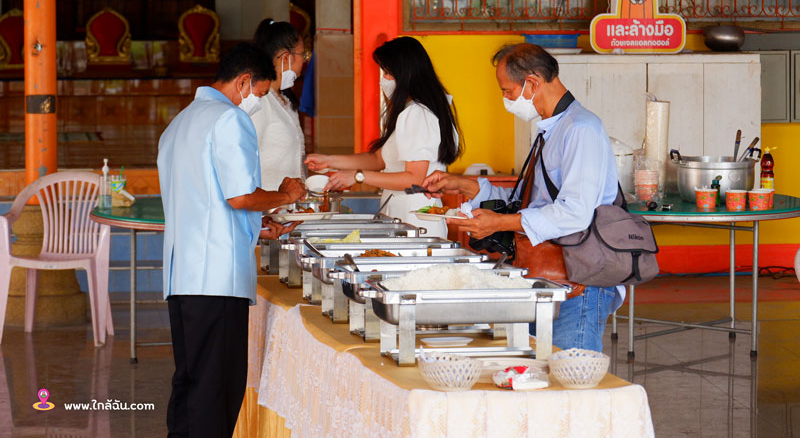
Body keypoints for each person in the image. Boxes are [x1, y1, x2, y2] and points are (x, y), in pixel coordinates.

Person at [422, 42, 622, 352]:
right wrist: (466, 186)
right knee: (539, 371)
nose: (506, 99)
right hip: (546, 275)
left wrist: (499, 222)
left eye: (507, 91)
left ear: (532, 83)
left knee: (569, 377)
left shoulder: (580, 130)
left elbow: (575, 213)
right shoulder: (551, 129)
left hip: (578, 280)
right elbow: (531, 203)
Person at [157, 43, 306, 438]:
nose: (256, 103)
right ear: (244, 81)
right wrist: (286, 196)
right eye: (258, 94)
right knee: (217, 390)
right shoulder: (228, 119)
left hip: (183, 276)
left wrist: (257, 226)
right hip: (216, 279)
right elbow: (239, 195)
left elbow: (200, 202)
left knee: (190, 384)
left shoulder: (181, 123)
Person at [305, 36, 462, 237]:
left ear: (406, 74)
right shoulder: (411, 110)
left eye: (388, 73)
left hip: (415, 218)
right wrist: (330, 161)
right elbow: (379, 159)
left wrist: (358, 176)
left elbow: (414, 179)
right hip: (403, 215)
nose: (384, 79)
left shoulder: (418, 113)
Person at [250, 19, 310, 190]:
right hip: (268, 207)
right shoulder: (260, 101)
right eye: (302, 55)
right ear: (286, 57)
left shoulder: (285, 101)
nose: (303, 62)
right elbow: (246, 160)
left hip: (288, 207)